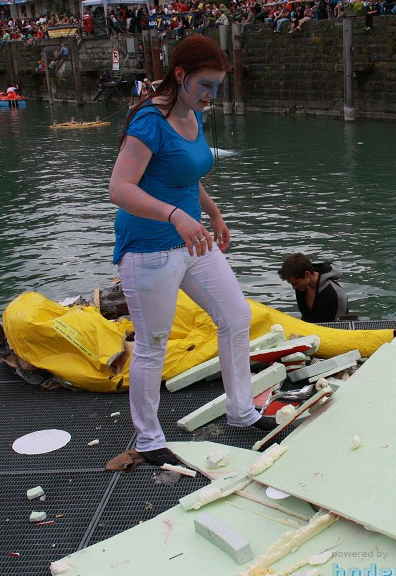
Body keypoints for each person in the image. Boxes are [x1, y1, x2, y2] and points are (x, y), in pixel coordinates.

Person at [108, 35, 275, 467]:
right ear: (179, 75)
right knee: (152, 344)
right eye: (205, 85)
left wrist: (213, 213)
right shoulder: (149, 121)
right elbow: (119, 189)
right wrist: (175, 217)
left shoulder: (193, 114)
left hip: (192, 241)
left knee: (235, 316)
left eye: (218, 86)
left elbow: (184, 174)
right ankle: (148, 439)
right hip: (148, 249)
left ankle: (241, 411)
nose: (211, 95)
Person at [278, 253, 349, 323]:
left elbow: (343, 326)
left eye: (296, 283)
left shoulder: (336, 294)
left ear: (307, 274)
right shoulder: (301, 288)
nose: (294, 287)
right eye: (291, 284)